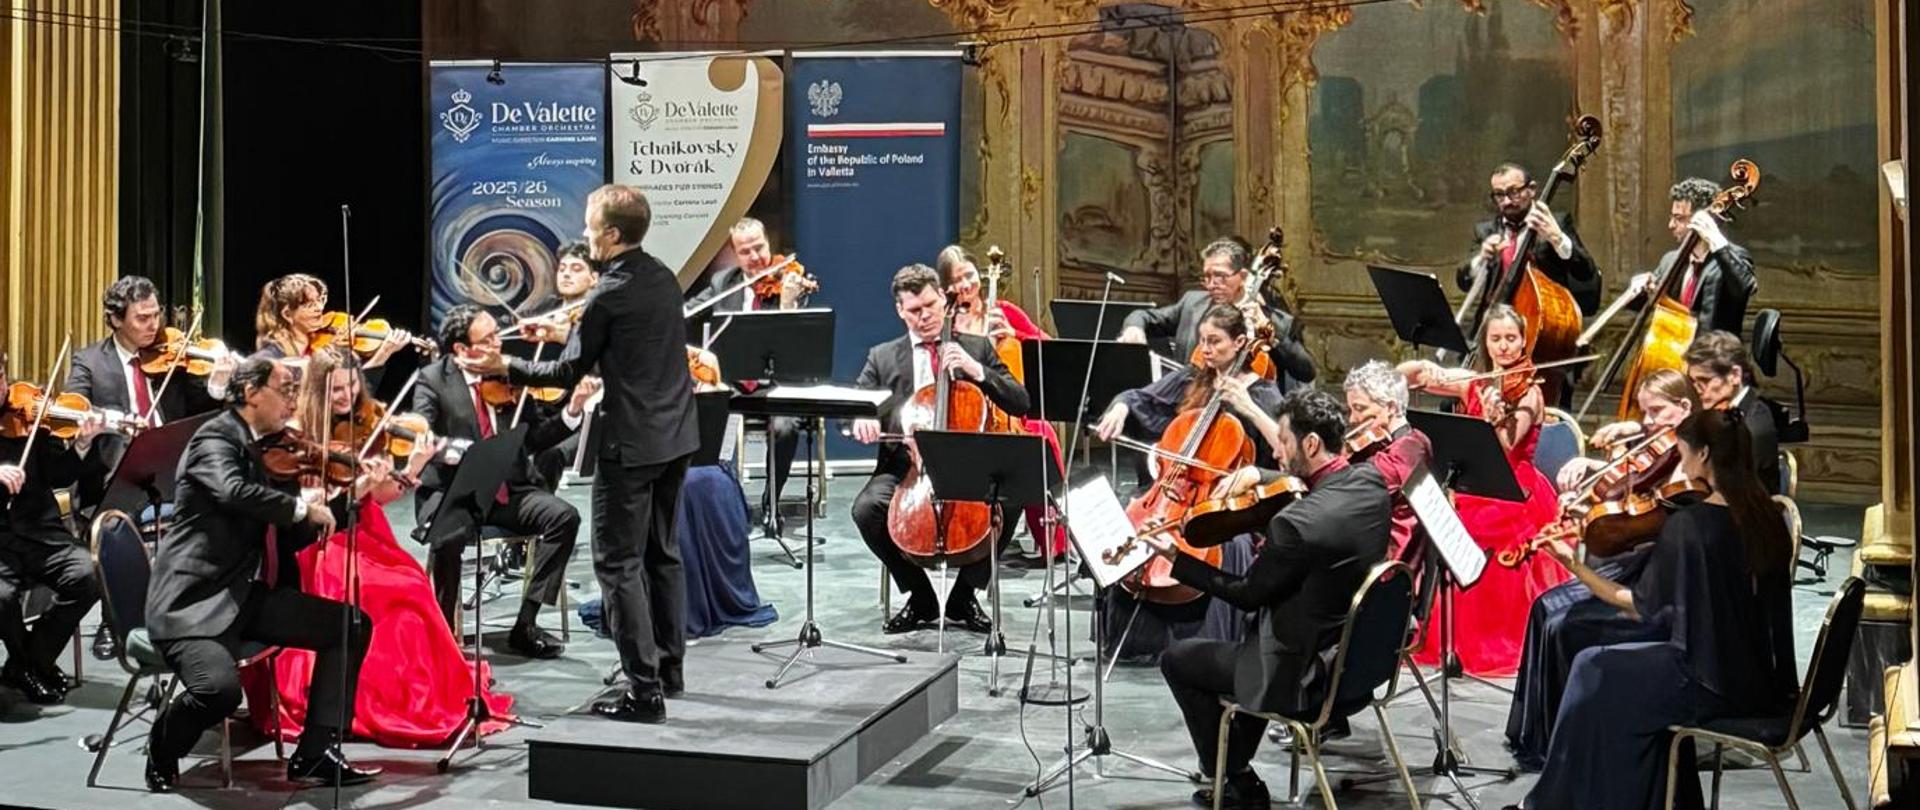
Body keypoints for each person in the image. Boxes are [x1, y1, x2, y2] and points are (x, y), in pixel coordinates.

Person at [461, 184, 699, 724]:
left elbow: (566, 373)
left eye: (592, 225)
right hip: (676, 436)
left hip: (631, 444)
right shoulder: (661, 275)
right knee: (662, 552)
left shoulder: (606, 294)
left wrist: (506, 367)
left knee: (617, 563)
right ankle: (668, 667)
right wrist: (569, 326)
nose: (586, 233)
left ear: (611, 234)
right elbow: (626, 339)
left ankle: (643, 692)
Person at [1519, 408, 1797, 809]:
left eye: (1683, 453)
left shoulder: (1690, 526)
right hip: (1761, 678)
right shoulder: (1768, 516)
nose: (1681, 463)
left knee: (1591, 670)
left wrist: (1573, 563)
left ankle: (1552, 801)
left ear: (1703, 455)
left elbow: (1635, 607)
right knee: (1603, 678)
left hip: (1711, 684)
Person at [243, 347, 515, 747]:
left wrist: (411, 468)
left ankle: (420, 691)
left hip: (365, 531)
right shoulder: (295, 436)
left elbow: (383, 496)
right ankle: (375, 700)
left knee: (412, 582)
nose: (346, 395)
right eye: (335, 388)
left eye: (352, 385)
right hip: (320, 543)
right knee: (393, 593)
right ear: (317, 391)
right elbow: (308, 508)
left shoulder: (365, 424)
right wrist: (357, 486)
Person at [1150, 388, 1392, 809]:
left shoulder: (1295, 526)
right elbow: (1303, 488)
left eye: (1283, 441)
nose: (1277, 452)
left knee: (1180, 659)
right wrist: (1261, 477)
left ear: (1310, 443)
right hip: (1356, 663)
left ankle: (1234, 778)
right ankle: (1236, 761)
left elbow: (1246, 594)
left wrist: (1180, 559)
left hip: (1300, 678)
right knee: (1250, 639)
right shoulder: (1370, 482)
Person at [144, 355, 377, 792]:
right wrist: (302, 506)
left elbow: (289, 538)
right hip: (194, 602)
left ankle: (316, 752)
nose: (293, 400)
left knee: (349, 624)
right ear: (251, 393)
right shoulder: (213, 439)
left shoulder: (275, 450)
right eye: (284, 390)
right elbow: (233, 492)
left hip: (246, 595)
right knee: (218, 691)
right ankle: (162, 742)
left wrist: (350, 503)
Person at [1507, 369, 1699, 770]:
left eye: (1657, 411)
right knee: (1544, 606)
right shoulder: (1657, 449)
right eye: (1644, 412)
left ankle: (1566, 747)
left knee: (1564, 625)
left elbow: (1654, 518)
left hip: (1652, 580)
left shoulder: (1693, 468)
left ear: (1684, 408)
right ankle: (1536, 736)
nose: (1648, 422)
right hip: (1636, 563)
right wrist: (1590, 485)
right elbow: (1629, 492)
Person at [848, 264, 1030, 634]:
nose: (925, 316)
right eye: (914, 310)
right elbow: (854, 407)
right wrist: (859, 420)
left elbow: (1021, 401)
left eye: (930, 305)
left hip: (970, 464)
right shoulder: (882, 357)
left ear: (942, 302)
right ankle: (920, 596)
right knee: (866, 510)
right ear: (900, 310)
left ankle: (965, 595)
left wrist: (978, 371)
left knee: (1012, 497)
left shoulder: (976, 347)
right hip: (906, 468)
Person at [1399, 304, 1565, 676]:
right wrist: (1415, 371)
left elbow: (1506, 446)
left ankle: (1485, 640)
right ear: (1486, 343)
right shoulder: (1475, 381)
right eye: (1496, 339)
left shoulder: (1530, 393)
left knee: (1477, 530)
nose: (1504, 347)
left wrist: (1494, 418)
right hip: (1476, 481)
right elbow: (1412, 377)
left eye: (1511, 338)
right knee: (1446, 525)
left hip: (1512, 489)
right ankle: (1447, 638)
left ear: (1524, 340)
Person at [411, 304, 581, 659]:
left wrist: (572, 411)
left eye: (496, 336)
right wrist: (445, 447)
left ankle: (527, 623)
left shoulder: (509, 378)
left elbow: (534, 439)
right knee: (447, 538)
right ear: (461, 349)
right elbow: (421, 428)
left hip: (507, 492)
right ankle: (444, 635)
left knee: (564, 517)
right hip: (453, 492)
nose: (498, 346)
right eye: (487, 340)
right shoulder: (433, 379)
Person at [683, 218, 815, 531]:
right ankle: (730, 503)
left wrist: (786, 303)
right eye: (746, 252)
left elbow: (795, 343)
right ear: (736, 254)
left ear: (768, 243)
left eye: (759, 247)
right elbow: (687, 312)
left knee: (785, 428)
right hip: (733, 384)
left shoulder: (789, 280)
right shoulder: (723, 283)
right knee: (705, 416)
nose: (755, 257)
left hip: (774, 384)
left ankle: (772, 501)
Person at [936, 244, 1065, 556]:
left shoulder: (1003, 312)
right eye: (956, 280)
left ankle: (1054, 542)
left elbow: (1049, 348)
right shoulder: (946, 323)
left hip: (1009, 414)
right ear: (945, 288)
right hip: (964, 418)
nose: (965, 285)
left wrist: (1016, 336)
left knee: (1042, 434)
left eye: (968, 275)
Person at [66, 275, 235, 507]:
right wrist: (107, 421)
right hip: (116, 481)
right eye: (143, 318)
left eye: (157, 315)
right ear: (116, 319)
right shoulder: (89, 362)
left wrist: (218, 383)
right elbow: (74, 407)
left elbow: (198, 409)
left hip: (174, 471)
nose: (154, 325)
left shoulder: (172, 355)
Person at [0, 348, 104, 705]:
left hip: (38, 532)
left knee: (88, 573)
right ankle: (28, 666)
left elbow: (59, 475)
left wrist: (82, 444)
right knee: (1, 596)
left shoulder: (30, 415)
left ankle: (29, 660)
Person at [1117, 236, 1315, 391]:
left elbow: (1305, 372)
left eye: (1220, 277)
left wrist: (1269, 331)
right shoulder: (1192, 303)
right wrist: (1134, 328)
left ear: (1243, 277)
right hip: (1190, 409)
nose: (1211, 285)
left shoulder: (1276, 321)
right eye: (1207, 277)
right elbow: (1144, 316)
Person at [1455, 163, 1603, 316]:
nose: (1506, 201)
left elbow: (1586, 273)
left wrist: (1558, 239)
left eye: (1513, 192)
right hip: (1497, 321)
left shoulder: (1557, 223)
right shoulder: (1486, 231)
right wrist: (1481, 259)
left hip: (1546, 317)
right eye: (1499, 194)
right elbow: (1463, 283)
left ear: (1531, 189)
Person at [1622, 178, 1758, 336]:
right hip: (1675, 349)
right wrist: (1639, 290)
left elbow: (1745, 289)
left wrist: (1717, 241)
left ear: (1702, 220)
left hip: (1715, 354)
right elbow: (1639, 306)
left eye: (1679, 218)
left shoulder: (1732, 257)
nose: (1671, 225)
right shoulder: (1671, 260)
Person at [1340, 360, 1432, 564]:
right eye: (1350, 409)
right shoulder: (1419, 437)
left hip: (1389, 564)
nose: (1353, 419)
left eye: (1360, 408)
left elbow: (1344, 492)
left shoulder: (1399, 455)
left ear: (1390, 407)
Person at [531, 242, 601, 490]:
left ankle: (541, 513)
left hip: (585, 414)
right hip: (542, 406)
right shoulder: (546, 309)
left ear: (594, 279)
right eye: (562, 269)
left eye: (576, 268)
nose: (567, 274)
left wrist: (569, 334)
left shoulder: (599, 315)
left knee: (551, 454)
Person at [1683, 330, 1780, 494]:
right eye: (1693, 381)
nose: (1697, 390)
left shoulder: (1754, 425)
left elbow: (1739, 490)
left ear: (1735, 375)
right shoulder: (1718, 412)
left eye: (1704, 381)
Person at [253, 273, 409, 367]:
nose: (319, 308)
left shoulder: (320, 344)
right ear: (287, 314)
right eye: (309, 304)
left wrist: (383, 352)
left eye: (320, 300)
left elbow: (353, 398)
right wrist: (331, 354)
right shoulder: (273, 358)